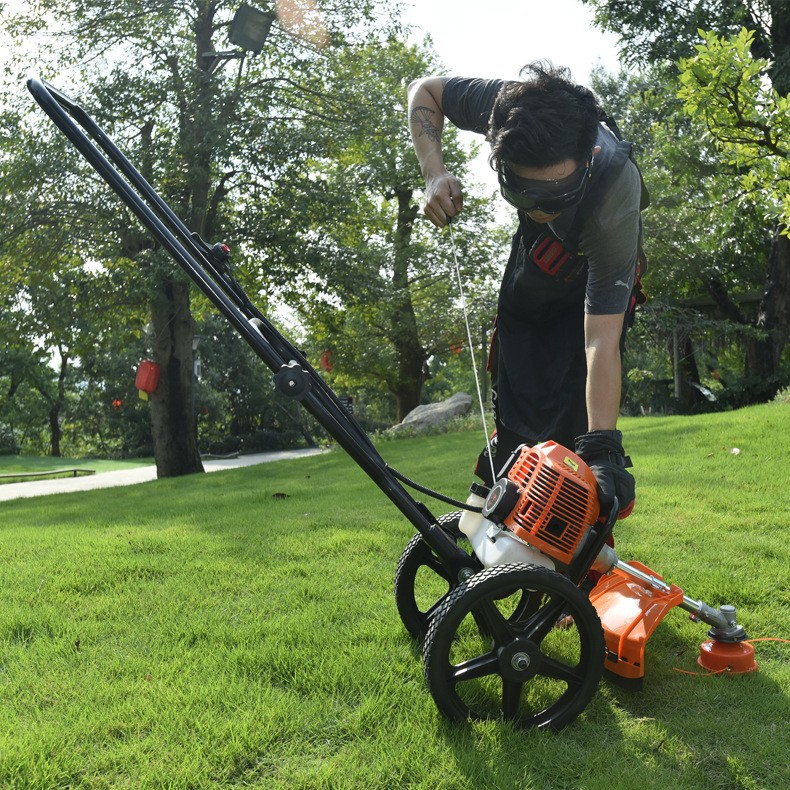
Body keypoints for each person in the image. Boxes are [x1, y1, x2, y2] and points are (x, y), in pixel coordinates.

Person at [408, 63, 643, 520]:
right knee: (515, 409)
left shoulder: (614, 194)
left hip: (588, 287)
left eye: (556, 196)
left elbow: (600, 340)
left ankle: (569, 559)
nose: (540, 210)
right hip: (531, 277)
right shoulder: (510, 108)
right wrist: (433, 172)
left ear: (588, 157)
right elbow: (427, 91)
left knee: (572, 437)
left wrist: (602, 448)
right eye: (522, 195)